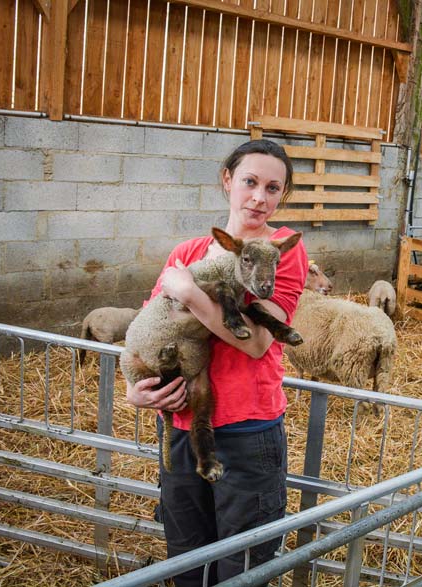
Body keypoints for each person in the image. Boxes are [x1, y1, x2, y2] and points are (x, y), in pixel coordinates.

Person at [125, 139, 307, 585]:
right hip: (184, 427)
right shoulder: (186, 253)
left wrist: (188, 293)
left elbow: (258, 343)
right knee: (188, 558)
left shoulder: (280, 250)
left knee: (242, 565)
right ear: (228, 181)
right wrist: (133, 388)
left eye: (273, 188)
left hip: (248, 432)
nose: (260, 197)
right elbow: (150, 327)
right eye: (250, 182)